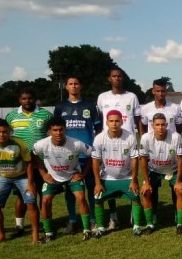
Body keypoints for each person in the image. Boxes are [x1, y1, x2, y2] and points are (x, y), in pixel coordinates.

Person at [33, 116, 93, 242]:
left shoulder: (76, 143)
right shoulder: (42, 144)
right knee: (45, 201)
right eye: (55, 130)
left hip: (72, 175)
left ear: (65, 130)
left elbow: (93, 154)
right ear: (49, 132)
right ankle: (48, 233)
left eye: (61, 129)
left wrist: (83, 173)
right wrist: (44, 174)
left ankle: (87, 230)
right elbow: (33, 156)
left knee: (81, 197)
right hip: (53, 177)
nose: (58, 133)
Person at [54, 76, 101, 234]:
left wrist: (95, 148)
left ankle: (93, 220)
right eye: (70, 84)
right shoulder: (60, 107)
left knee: (92, 188)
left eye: (76, 83)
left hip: (87, 155)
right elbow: (57, 130)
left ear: (81, 86)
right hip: (68, 156)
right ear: (65, 87)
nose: (74, 86)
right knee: (71, 191)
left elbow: (98, 129)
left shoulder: (90, 105)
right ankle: (73, 220)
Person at [0, 119, 39, 243]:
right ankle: (1, 235)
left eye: (4, 132)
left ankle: (35, 235)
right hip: (3, 177)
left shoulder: (19, 143)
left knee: (31, 201)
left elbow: (28, 162)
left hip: (22, 176)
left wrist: (30, 182)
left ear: (9, 132)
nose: (1, 135)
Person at [96, 67, 141, 229]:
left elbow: (137, 120)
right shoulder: (102, 97)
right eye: (113, 76)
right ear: (109, 79)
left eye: (119, 76)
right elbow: (101, 119)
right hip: (108, 142)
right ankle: (113, 216)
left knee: (129, 175)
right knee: (109, 175)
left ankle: (133, 212)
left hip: (128, 141)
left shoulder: (132, 97)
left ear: (123, 78)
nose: (117, 78)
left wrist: (140, 139)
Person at [6, 88, 53, 234]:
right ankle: (19, 225)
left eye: (30, 98)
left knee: (43, 193)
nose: (27, 101)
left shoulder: (46, 114)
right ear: (20, 100)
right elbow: (6, 136)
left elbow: (53, 133)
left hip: (42, 163)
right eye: (24, 99)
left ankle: (43, 223)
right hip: (20, 163)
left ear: (35, 99)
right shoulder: (12, 116)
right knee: (21, 195)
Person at [91, 110, 143, 238]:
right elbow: (95, 161)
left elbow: (134, 159)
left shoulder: (130, 137)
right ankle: (101, 227)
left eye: (117, 121)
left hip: (126, 177)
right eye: (111, 121)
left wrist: (134, 179)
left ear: (122, 121)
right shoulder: (99, 138)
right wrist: (97, 183)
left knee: (136, 197)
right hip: (107, 177)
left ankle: (136, 226)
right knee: (97, 198)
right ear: (107, 122)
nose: (114, 124)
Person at [139, 78, 182, 225]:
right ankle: (154, 215)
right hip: (154, 153)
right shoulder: (146, 109)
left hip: (170, 152)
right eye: (158, 90)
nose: (161, 93)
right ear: (153, 91)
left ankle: (177, 214)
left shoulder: (175, 108)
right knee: (151, 189)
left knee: (176, 187)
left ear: (166, 91)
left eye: (163, 90)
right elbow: (143, 126)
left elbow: (179, 127)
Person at [139, 113, 182, 235]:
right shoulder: (145, 138)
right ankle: (150, 223)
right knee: (146, 192)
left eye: (163, 124)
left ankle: (180, 223)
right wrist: (146, 182)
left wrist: (179, 180)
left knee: (180, 191)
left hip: (173, 169)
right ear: (152, 126)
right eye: (157, 125)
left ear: (166, 125)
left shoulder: (176, 137)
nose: (160, 127)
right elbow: (143, 160)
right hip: (153, 170)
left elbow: (181, 159)